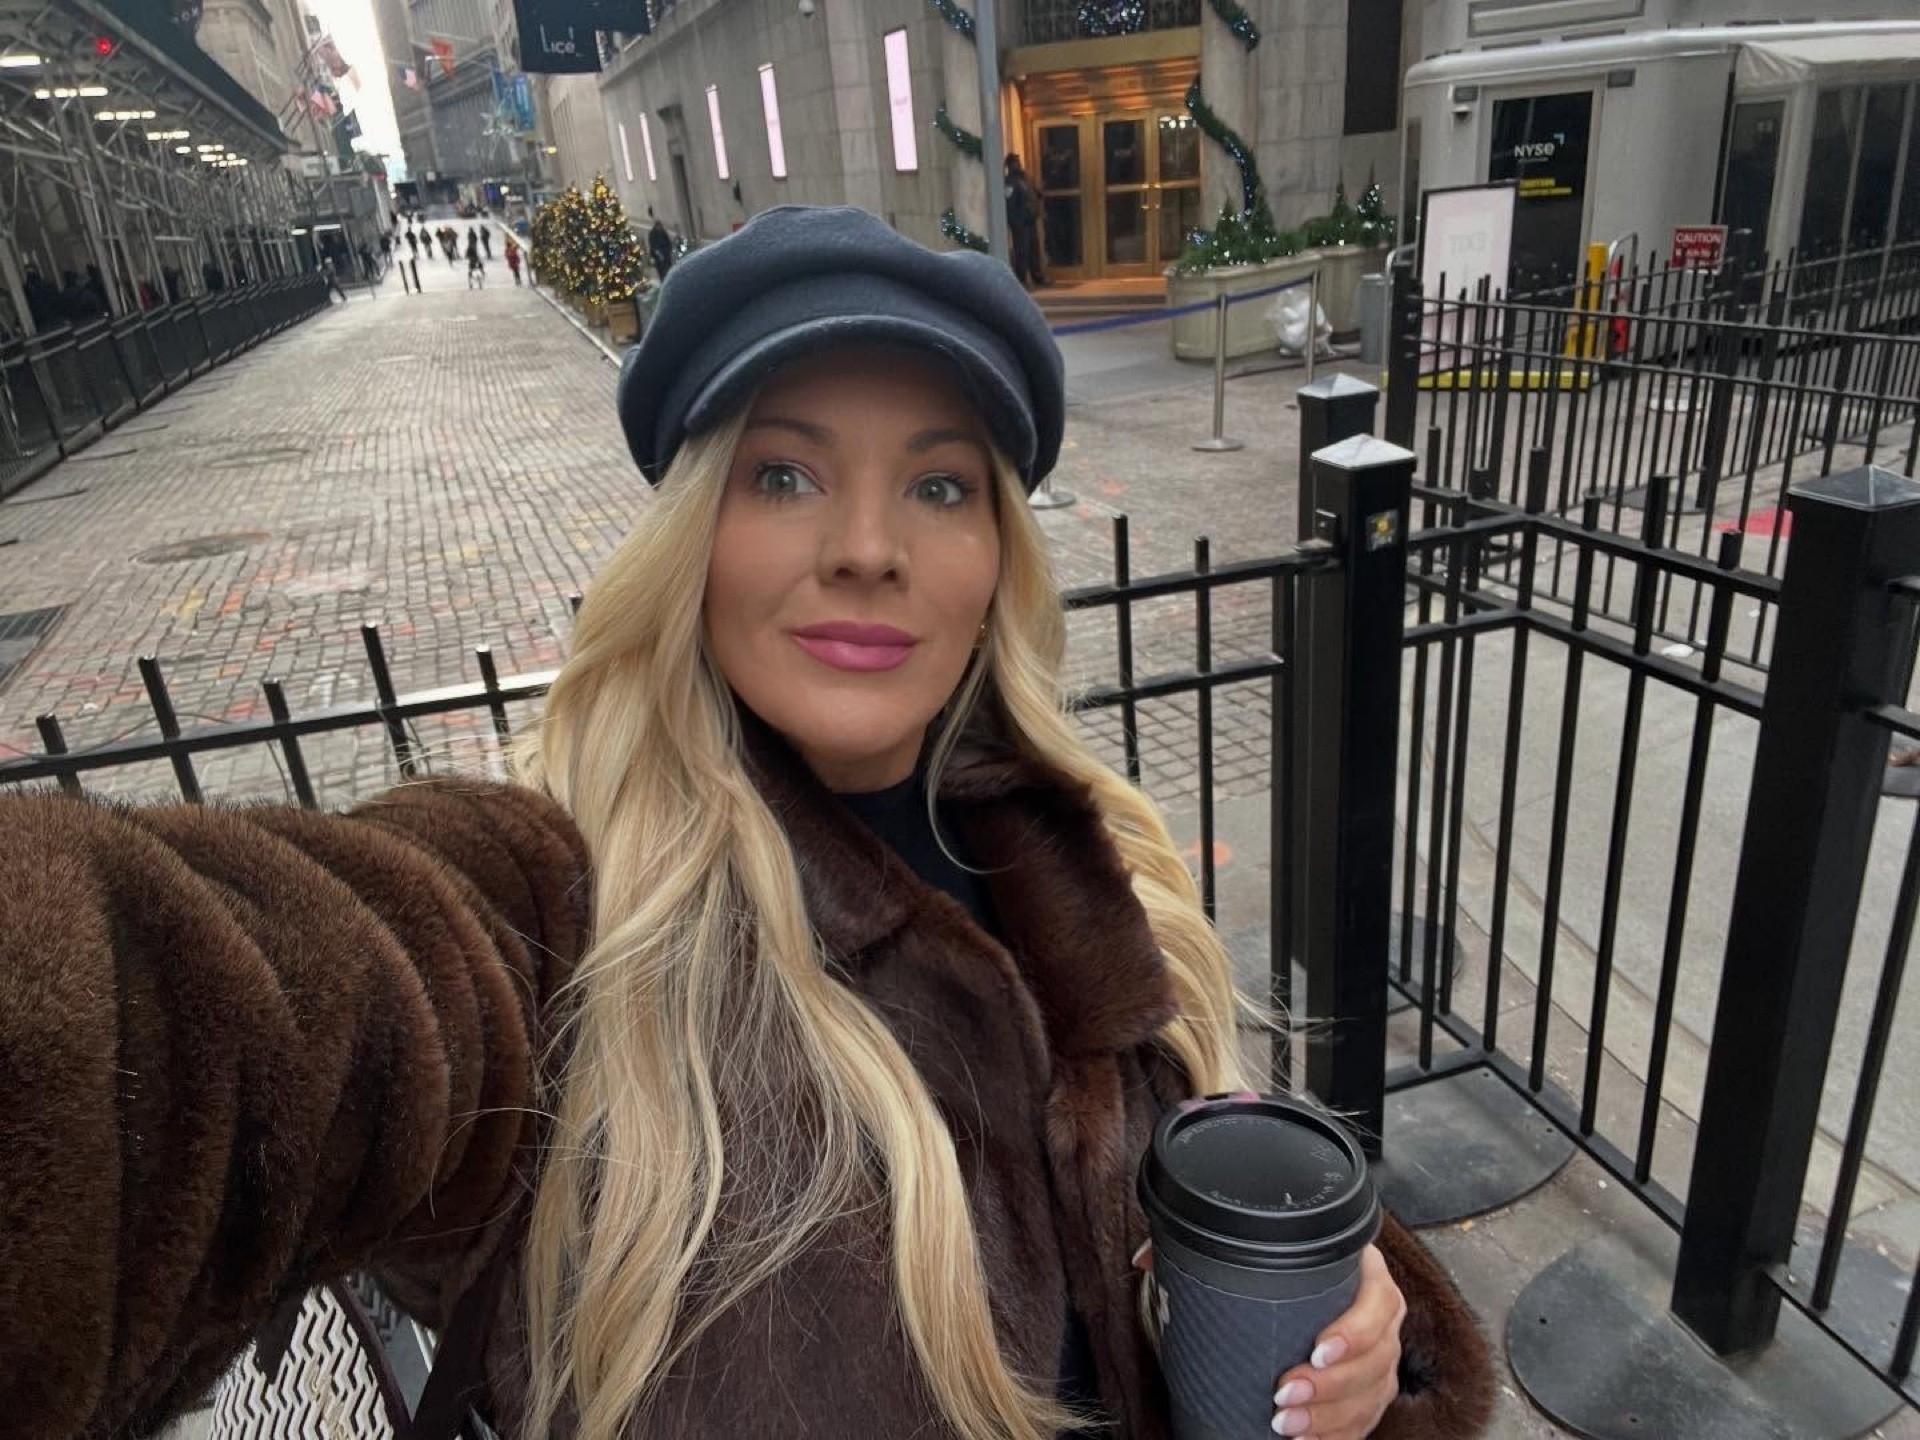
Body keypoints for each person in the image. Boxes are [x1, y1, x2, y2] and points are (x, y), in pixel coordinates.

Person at [0, 205, 1494, 1440]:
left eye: (939, 483)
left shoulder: (1097, 851)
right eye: (785, 474)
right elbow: (211, 1014)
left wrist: (1368, 1346)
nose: (867, 547)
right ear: (690, 535)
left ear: (996, 554)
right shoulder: (555, 918)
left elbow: (1223, 1248)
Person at [1005, 155, 1047, 289]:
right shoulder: (1010, 182)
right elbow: (1010, 205)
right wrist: (1015, 222)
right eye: (1016, 162)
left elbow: (1035, 193)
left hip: (1030, 219)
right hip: (1020, 222)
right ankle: (1021, 280)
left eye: (1019, 162)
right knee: (1022, 251)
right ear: (1010, 165)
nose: (1018, 165)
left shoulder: (1025, 178)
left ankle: (1037, 276)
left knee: (1034, 249)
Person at [648, 211, 673, 280]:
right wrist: (658, 253)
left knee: (668, 267)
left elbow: (668, 240)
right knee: (661, 270)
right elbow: (653, 245)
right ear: (656, 226)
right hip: (658, 255)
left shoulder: (663, 232)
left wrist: (670, 249)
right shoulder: (652, 234)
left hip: (665, 252)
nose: (660, 228)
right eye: (659, 226)